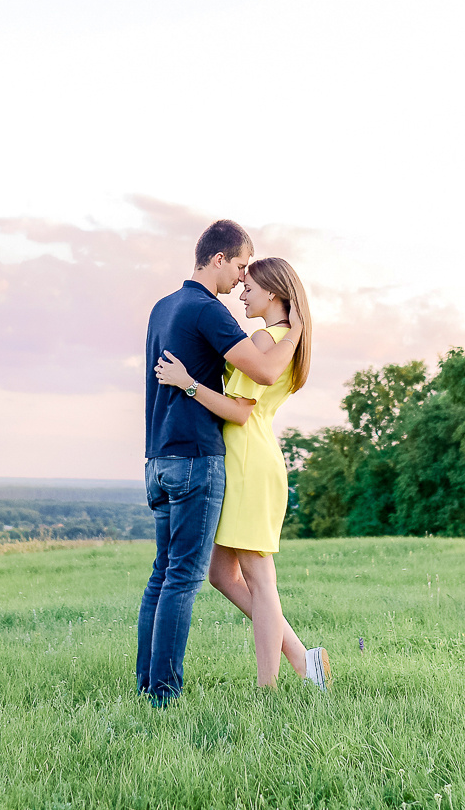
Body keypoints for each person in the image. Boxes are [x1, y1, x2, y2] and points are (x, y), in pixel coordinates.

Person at [137, 219, 303, 704]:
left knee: (162, 574)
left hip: (158, 456)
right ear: (218, 260)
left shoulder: (161, 308)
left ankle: (149, 686)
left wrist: (291, 326)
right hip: (196, 458)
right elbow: (265, 369)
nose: (241, 280)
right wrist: (297, 328)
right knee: (186, 577)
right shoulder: (207, 310)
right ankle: (163, 695)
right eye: (240, 266)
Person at [156, 255, 329, 689]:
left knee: (259, 577)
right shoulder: (286, 337)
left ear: (273, 293)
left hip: (249, 460)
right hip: (252, 456)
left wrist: (187, 383)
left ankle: (268, 687)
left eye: (249, 287)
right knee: (221, 574)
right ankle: (304, 660)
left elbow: (238, 412)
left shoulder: (266, 339)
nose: (242, 293)